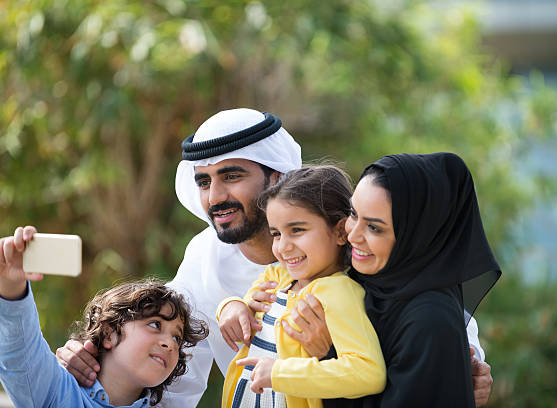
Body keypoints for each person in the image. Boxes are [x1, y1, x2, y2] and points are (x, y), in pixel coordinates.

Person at [56, 108, 494, 406]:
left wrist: (462, 367)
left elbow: (424, 308)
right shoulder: (204, 256)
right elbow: (169, 375)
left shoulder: (345, 251)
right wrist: (89, 364)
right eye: (204, 181)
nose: (215, 196)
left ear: (277, 177)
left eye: (231, 176)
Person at [341, 153, 502, 407]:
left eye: (374, 228)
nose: (353, 235)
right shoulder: (365, 283)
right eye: (353, 213)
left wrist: (325, 354)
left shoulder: (430, 321)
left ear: (415, 236)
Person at [218, 165, 385, 408]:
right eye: (276, 233)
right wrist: (231, 306)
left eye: (297, 230)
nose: (283, 247)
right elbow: (247, 304)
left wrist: (280, 374)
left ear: (340, 231)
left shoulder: (339, 293)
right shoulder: (278, 275)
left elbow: (368, 372)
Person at [0, 226, 208, 407]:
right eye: (155, 324)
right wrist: (11, 282)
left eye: (177, 338)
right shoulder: (57, 392)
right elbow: (19, 349)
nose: (170, 344)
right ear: (109, 333)